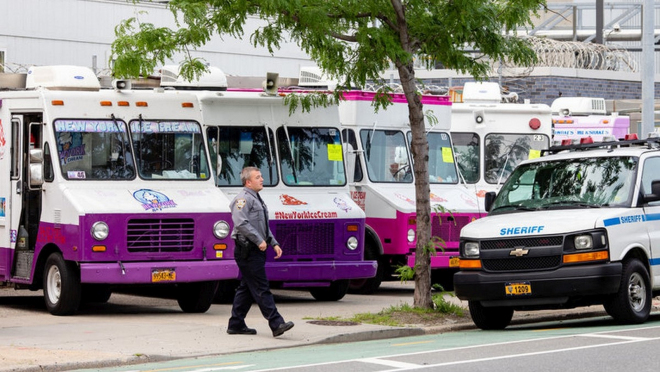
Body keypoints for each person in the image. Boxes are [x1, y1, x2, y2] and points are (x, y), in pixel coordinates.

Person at [227, 166, 295, 337]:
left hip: (256, 249)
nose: (262, 179)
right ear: (248, 182)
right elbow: (241, 223)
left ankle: (236, 323)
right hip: (247, 250)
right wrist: (259, 240)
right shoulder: (242, 199)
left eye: (261, 176)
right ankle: (276, 323)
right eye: (258, 177)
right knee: (261, 286)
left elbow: (262, 226)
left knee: (248, 287)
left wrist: (273, 243)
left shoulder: (256, 198)